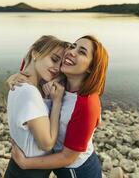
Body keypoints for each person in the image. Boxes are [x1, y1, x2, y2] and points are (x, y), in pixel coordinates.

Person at [9, 35, 116, 178]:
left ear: (91, 67)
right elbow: (31, 64)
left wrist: (25, 164)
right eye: (73, 46)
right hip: (54, 162)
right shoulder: (60, 79)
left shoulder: (86, 104)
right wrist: (14, 77)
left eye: (82, 52)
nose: (72, 52)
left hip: (76, 171)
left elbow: (68, 157)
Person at [5, 35, 68, 178]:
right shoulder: (30, 92)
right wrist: (57, 102)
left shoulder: (20, 84)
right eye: (54, 59)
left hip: (19, 166)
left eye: (61, 65)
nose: (57, 68)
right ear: (35, 53)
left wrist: (57, 78)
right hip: (29, 172)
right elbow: (47, 143)